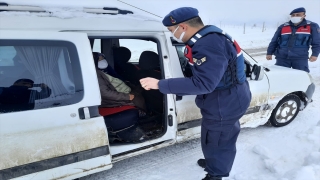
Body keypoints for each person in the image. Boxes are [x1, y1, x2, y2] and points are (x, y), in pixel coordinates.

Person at [140, 7, 251, 180]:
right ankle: (214, 162)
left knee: (219, 141)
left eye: (172, 30)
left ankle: (216, 174)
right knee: (213, 137)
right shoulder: (209, 38)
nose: (173, 34)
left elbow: (204, 83)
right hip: (224, 98)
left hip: (224, 102)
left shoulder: (209, 44)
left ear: (182, 27)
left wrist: (159, 84)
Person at [266, 7, 320, 73]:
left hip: (300, 58)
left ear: (304, 16)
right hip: (282, 58)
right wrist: (269, 53)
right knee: (281, 77)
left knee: (301, 77)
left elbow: (316, 42)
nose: (295, 16)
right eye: (293, 15)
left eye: (298, 15)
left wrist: (315, 54)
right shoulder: (283, 26)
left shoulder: (312, 26)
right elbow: (274, 41)